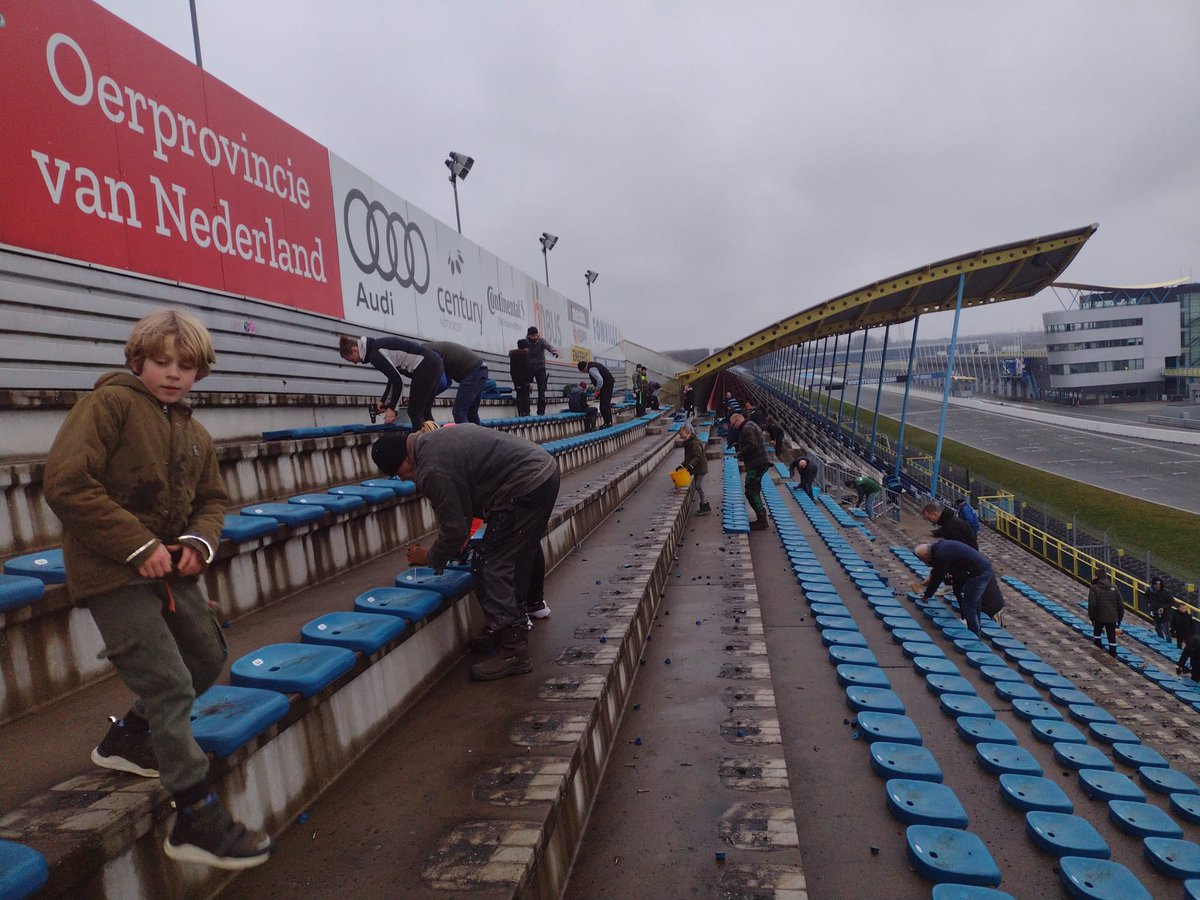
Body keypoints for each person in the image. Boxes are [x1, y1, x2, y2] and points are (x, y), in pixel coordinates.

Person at [43, 310, 271, 870]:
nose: (173, 374)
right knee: (169, 684)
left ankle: (130, 736)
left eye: (185, 366)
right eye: (162, 362)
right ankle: (195, 815)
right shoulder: (108, 405)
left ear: (199, 372)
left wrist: (199, 541)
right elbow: (67, 483)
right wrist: (137, 544)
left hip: (171, 568)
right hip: (111, 569)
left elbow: (212, 500)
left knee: (206, 656)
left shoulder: (194, 432)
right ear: (137, 360)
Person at [372, 424, 560, 681]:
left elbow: (454, 528)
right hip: (540, 473)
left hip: (525, 484)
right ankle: (505, 629)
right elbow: (463, 501)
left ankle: (514, 651)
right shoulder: (431, 444)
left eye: (398, 473)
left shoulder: (431, 468)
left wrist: (430, 557)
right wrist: (458, 538)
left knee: (490, 563)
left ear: (404, 460)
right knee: (509, 553)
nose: (403, 479)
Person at [916, 540, 994, 636]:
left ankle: (974, 634)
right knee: (959, 590)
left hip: (978, 572)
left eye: (923, 559)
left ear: (926, 554)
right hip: (970, 568)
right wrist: (931, 576)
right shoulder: (937, 548)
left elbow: (937, 577)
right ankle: (967, 620)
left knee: (970, 605)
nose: (924, 562)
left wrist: (927, 595)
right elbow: (938, 568)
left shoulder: (940, 555)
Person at [730, 412, 770, 531]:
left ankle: (762, 520)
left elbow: (752, 445)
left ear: (738, 421)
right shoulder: (750, 425)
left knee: (751, 491)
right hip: (759, 463)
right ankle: (761, 518)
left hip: (757, 464)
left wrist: (739, 454)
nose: (734, 427)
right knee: (753, 490)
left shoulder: (747, 428)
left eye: (733, 424)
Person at [1087, 571, 1123, 657]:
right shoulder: (1115, 588)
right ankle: (1113, 655)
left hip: (1099, 617)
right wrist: (1119, 618)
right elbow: (1121, 605)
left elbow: (1092, 604)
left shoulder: (1094, 588)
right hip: (1112, 618)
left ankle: (1098, 654)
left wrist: (1092, 618)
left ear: (1096, 577)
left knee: (1097, 634)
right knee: (1112, 637)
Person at [677, 423, 710, 516]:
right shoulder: (688, 443)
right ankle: (704, 503)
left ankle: (704, 505)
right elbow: (688, 459)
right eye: (682, 438)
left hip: (700, 468)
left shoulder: (694, 443)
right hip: (696, 468)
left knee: (698, 485)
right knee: (697, 485)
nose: (683, 439)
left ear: (689, 433)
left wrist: (690, 466)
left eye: (684, 437)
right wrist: (681, 465)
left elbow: (698, 457)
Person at [526, 326, 560, 415]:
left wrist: (553, 351)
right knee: (526, 388)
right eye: (533, 336)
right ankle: (526, 411)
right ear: (529, 336)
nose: (535, 337)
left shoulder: (541, 341)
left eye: (536, 335)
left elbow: (548, 346)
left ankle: (541, 411)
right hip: (530, 368)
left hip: (540, 367)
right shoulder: (526, 342)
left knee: (542, 390)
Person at [578, 359, 615, 427]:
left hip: (606, 385)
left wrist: (597, 390)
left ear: (584, 368)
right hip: (608, 384)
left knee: (603, 405)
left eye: (584, 371)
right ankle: (608, 422)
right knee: (606, 404)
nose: (585, 372)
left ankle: (608, 423)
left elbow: (600, 380)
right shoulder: (593, 365)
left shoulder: (591, 369)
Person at [509, 338, 533, 418]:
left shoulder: (513, 356)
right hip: (525, 381)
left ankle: (520, 413)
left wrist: (515, 381)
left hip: (516, 381)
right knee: (525, 396)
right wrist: (530, 380)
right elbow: (528, 369)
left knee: (519, 395)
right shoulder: (525, 356)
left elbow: (512, 370)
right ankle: (526, 413)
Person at [1144, 577, 1172, 641]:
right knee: (1157, 628)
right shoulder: (1150, 590)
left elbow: (1172, 602)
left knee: (1166, 630)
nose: (1158, 586)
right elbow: (1146, 596)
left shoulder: (1165, 592)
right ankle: (1161, 640)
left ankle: (1168, 642)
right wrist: (1149, 603)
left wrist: (1164, 607)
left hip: (1165, 613)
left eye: (1159, 584)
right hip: (1155, 612)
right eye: (1156, 585)